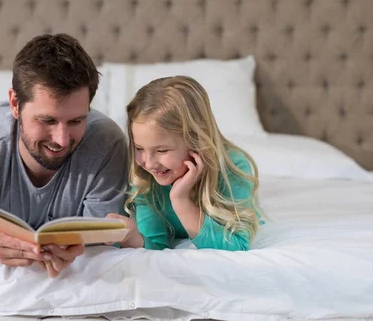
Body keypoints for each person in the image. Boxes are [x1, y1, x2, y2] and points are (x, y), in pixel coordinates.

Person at [0, 33, 129, 278]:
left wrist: (78, 250)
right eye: (47, 120)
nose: (62, 140)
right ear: (14, 104)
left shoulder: (107, 144)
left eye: (76, 120)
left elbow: (104, 243)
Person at [107, 76, 261, 251]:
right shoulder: (146, 179)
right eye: (139, 148)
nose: (148, 164)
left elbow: (238, 246)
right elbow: (155, 247)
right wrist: (133, 237)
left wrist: (181, 200)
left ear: (196, 141)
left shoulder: (233, 168)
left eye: (162, 151)